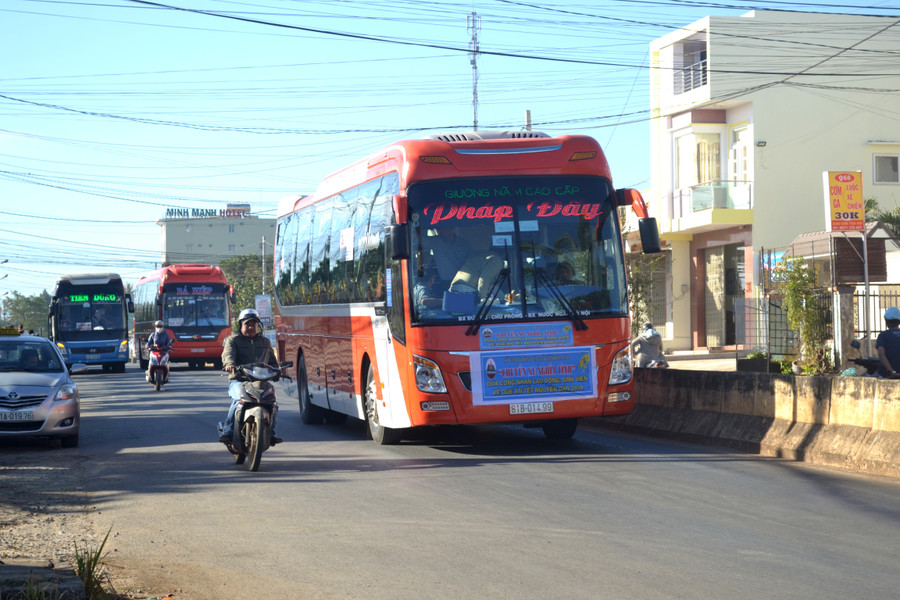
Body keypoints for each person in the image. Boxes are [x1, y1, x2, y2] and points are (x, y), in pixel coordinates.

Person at [219, 308, 282, 445]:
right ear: (240, 325)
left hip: (261, 382)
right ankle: (228, 430)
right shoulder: (233, 340)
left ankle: (270, 432)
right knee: (238, 401)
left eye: (253, 324)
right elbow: (228, 355)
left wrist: (277, 371)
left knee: (273, 404)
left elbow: (272, 362)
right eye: (247, 324)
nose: (250, 327)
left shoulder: (264, 342)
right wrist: (230, 364)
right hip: (239, 380)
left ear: (258, 326)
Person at [449, 224, 504, 298]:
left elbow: (492, 286)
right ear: (505, 253)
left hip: (454, 287)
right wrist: (483, 299)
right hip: (467, 290)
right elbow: (484, 279)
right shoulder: (496, 260)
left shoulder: (483, 256)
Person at [876, 306, 900, 378]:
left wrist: (892, 372)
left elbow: (881, 354)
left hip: (886, 375)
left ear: (886, 320)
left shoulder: (883, 336)